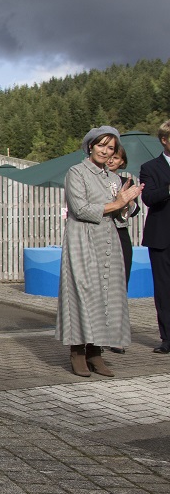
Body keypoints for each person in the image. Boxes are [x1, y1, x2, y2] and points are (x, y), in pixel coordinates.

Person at [57, 127, 141, 376]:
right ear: (90, 146)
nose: (105, 151)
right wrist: (117, 202)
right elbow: (80, 209)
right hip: (81, 238)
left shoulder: (114, 179)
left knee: (107, 296)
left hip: (108, 240)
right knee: (82, 293)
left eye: (111, 148)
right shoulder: (76, 172)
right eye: (101, 145)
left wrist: (127, 204)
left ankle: (96, 352)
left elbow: (120, 216)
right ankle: (77, 352)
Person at [105, 142, 141, 354]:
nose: (111, 160)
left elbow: (134, 211)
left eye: (117, 158)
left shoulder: (125, 181)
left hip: (120, 235)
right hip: (100, 234)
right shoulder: (93, 179)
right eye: (110, 155)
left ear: (122, 162)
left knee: (120, 286)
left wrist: (127, 201)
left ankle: (116, 335)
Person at [140, 119, 170, 355]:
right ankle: (167, 339)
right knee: (164, 289)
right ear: (164, 140)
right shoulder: (150, 167)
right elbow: (148, 198)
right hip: (162, 238)